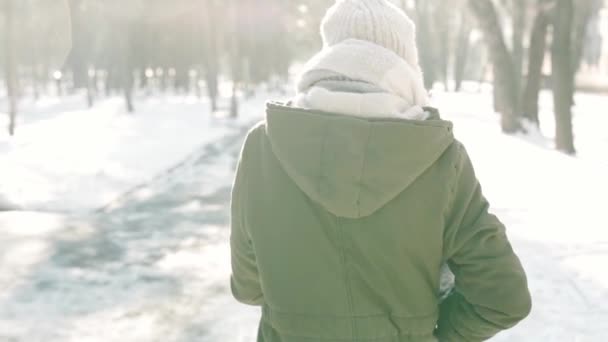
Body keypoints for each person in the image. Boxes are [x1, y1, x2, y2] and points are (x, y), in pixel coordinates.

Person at [230, 0, 532, 341]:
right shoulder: (441, 159)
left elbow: (249, 287)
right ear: (405, 62)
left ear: (331, 51)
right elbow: (503, 298)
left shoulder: (263, 147)